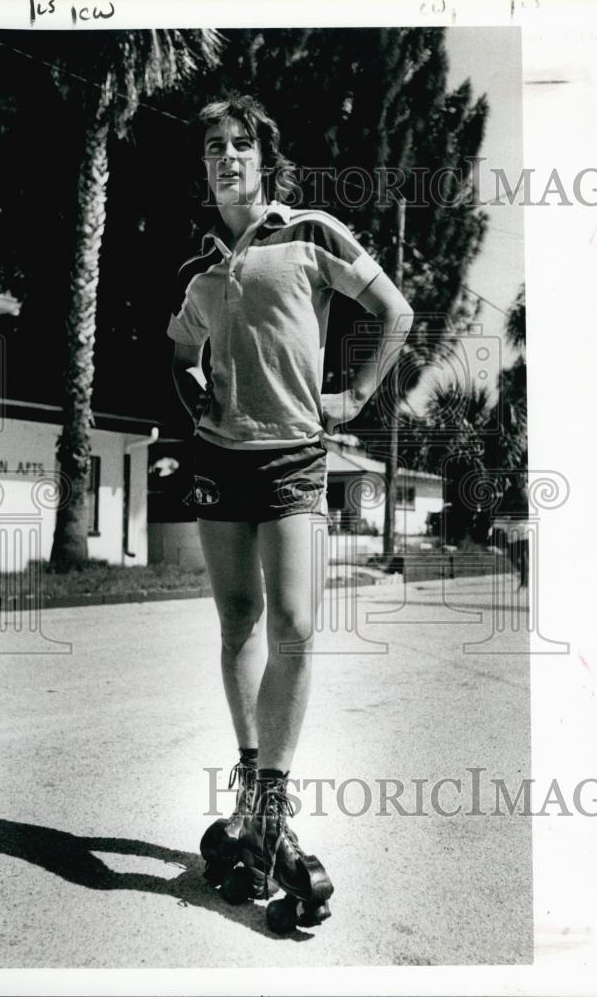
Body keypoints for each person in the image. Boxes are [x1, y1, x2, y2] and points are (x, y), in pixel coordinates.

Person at [167, 94, 413, 933]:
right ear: (203, 166)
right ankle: (250, 788)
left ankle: (272, 805)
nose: (226, 156)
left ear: (264, 158)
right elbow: (178, 349)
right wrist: (197, 401)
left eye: (240, 143)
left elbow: (396, 311)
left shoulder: (309, 232)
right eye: (213, 146)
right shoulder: (200, 270)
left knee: (297, 626)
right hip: (217, 463)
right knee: (238, 619)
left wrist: (358, 391)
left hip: (296, 457)